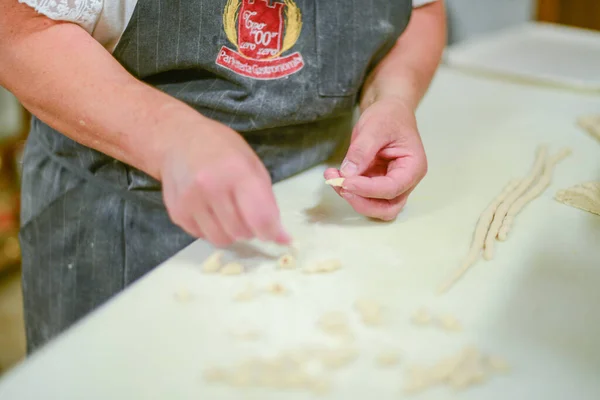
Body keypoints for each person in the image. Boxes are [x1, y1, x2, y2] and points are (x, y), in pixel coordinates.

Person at [0, 0, 446, 352]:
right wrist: (168, 135)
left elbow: (421, 11)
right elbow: (17, 27)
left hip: (319, 223)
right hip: (117, 232)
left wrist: (392, 97)